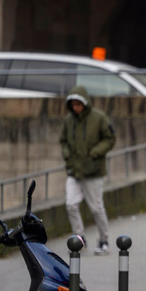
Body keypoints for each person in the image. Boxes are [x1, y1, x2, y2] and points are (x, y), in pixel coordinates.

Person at [59, 85, 116, 255]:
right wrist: (67, 154)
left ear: (85, 103)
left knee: (96, 207)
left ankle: (104, 240)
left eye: (78, 104)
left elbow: (110, 138)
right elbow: (63, 141)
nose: (76, 107)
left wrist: (96, 152)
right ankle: (80, 238)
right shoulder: (68, 121)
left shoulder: (99, 118)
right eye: (73, 104)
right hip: (74, 170)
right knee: (70, 204)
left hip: (93, 170)